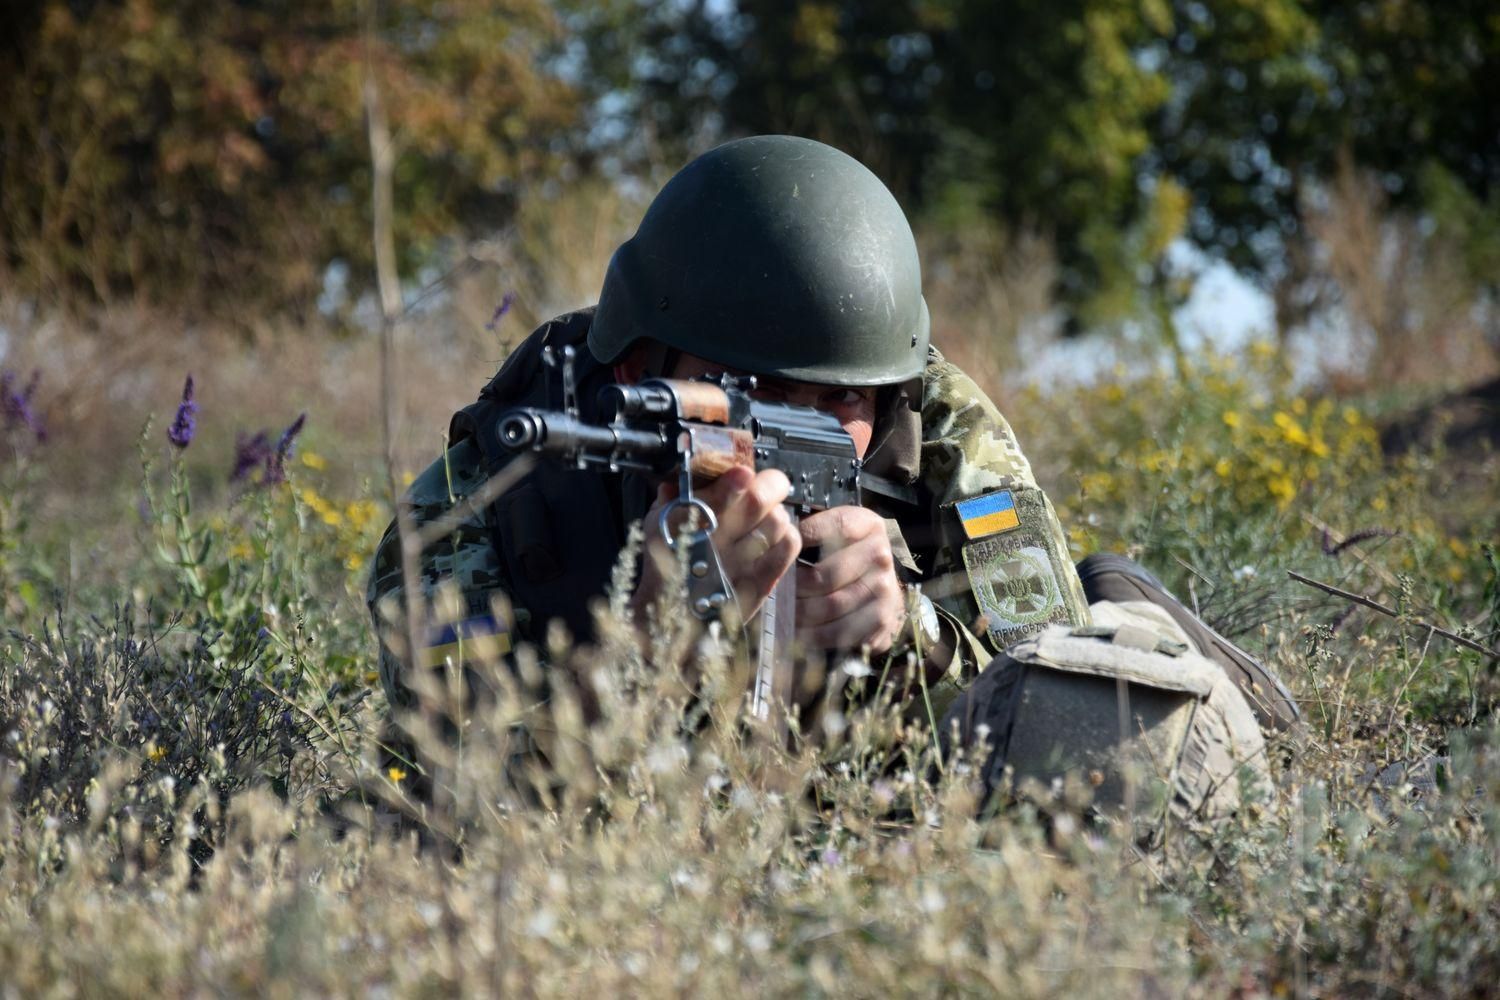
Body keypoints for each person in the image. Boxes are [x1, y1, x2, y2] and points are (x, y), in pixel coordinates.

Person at [367, 135, 1298, 804]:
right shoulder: (485, 503)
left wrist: (913, 636)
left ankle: (1157, 626)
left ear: (889, 393)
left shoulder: (940, 425)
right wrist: (640, 649)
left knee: (1120, 701)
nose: (789, 424)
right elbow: (447, 793)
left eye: (838, 402)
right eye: (747, 390)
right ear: (635, 371)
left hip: (902, 771)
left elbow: (1041, 666)